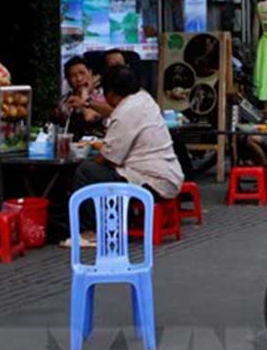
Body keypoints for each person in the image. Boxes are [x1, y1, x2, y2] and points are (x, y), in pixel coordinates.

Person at [66, 65, 183, 247]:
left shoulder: (125, 113)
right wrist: (88, 103)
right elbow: (113, 114)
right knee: (99, 170)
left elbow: (108, 158)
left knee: (87, 171)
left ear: (111, 93)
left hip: (153, 182)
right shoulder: (144, 98)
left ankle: (92, 231)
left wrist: (93, 159)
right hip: (170, 175)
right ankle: (117, 222)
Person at [55, 55, 106, 138]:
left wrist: (84, 94)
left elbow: (89, 117)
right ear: (68, 80)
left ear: (90, 72)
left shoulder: (103, 96)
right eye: (73, 76)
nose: (79, 79)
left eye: (82, 73)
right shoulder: (65, 100)